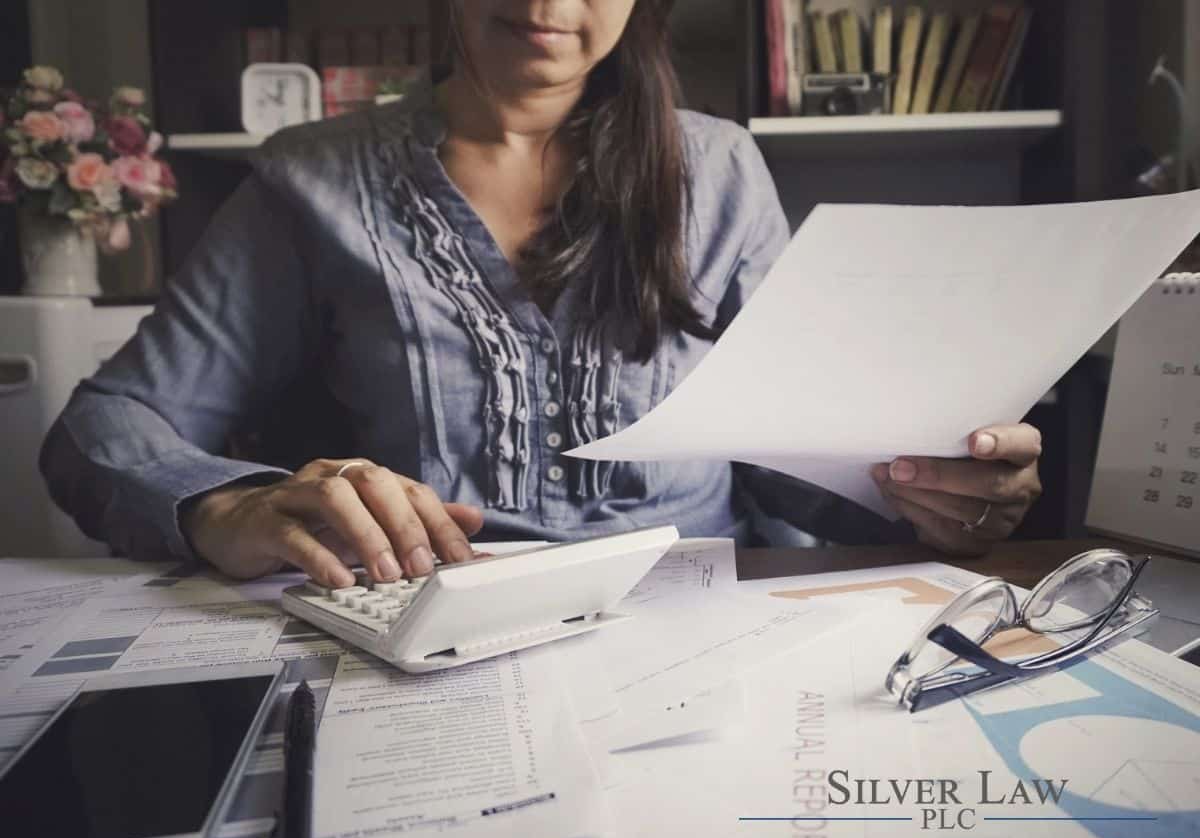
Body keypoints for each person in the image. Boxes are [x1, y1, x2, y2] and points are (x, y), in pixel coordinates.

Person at [40, 0, 1042, 590]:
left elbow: (790, 469)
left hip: (697, 631)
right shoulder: (313, 180)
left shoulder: (719, 169)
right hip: (424, 643)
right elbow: (104, 427)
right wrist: (229, 508)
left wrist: (928, 493)